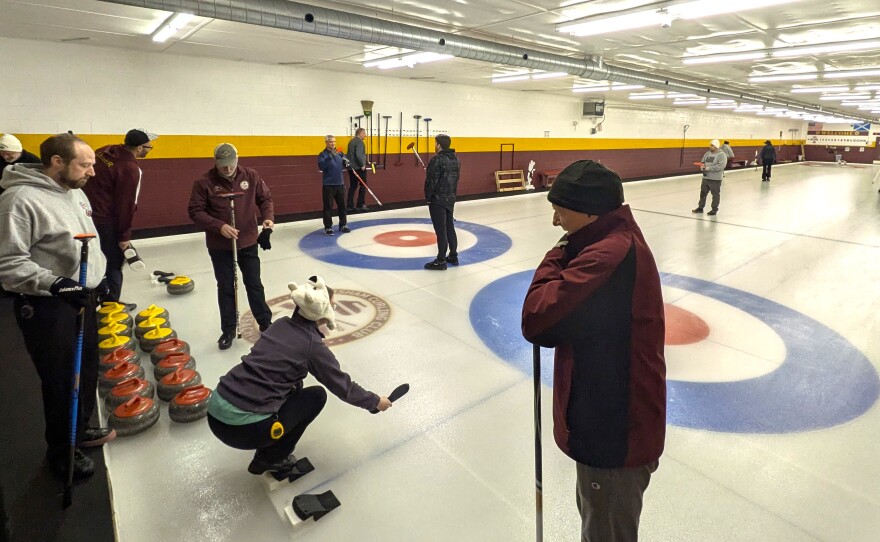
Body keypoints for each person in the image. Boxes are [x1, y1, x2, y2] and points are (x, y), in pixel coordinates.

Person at [521, 160, 666, 542]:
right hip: (607, 421)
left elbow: (537, 320)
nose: (555, 222)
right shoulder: (609, 240)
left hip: (613, 434)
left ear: (590, 211)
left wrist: (559, 252)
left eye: (560, 211)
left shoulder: (608, 255)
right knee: (596, 523)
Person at [0, 133, 116, 482]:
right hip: (49, 307)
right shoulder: (19, 200)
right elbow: (7, 264)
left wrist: (100, 274)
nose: (92, 173)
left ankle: (77, 433)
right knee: (63, 379)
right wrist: (55, 283)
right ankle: (61, 452)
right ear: (57, 162)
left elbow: (86, 242)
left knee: (88, 369)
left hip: (83, 297)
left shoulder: (75, 192)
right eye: (85, 164)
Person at [207, 275, 391, 476]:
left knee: (296, 385)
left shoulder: (280, 324)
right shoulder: (312, 345)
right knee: (316, 396)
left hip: (215, 409)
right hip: (241, 431)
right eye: (332, 305)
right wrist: (375, 402)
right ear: (323, 310)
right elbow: (342, 385)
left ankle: (267, 438)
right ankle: (272, 458)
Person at [188, 143, 274, 350]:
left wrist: (268, 218)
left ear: (237, 159)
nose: (227, 169)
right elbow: (195, 211)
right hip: (220, 244)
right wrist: (220, 226)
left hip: (248, 240)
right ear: (215, 162)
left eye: (231, 164)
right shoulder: (203, 182)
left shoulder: (250, 175)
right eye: (223, 165)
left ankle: (265, 323)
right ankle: (228, 329)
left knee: (254, 282)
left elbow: (265, 199)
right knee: (226, 286)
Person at [82, 129, 158, 304]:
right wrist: (124, 237)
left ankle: (95, 298)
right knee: (114, 262)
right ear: (139, 148)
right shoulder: (131, 169)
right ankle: (112, 306)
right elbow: (126, 205)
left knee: (94, 258)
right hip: (106, 221)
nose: (149, 149)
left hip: (85, 214)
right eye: (149, 147)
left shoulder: (104, 151)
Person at [423, 134, 461, 271]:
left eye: (435, 143)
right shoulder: (456, 159)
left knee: (441, 231)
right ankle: (453, 255)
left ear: (438, 145)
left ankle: (441, 260)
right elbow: (456, 179)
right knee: (449, 226)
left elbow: (431, 182)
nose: (434, 145)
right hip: (450, 198)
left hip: (438, 200)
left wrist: (428, 198)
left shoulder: (437, 160)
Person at [317, 135, 349, 236]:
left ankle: (343, 225)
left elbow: (347, 163)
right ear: (326, 142)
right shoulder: (322, 155)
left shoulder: (339, 152)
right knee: (328, 207)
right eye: (331, 142)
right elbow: (322, 167)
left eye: (334, 142)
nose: (333, 144)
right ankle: (328, 227)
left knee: (342, 206)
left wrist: (347, 162)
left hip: (340, 183)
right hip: (328, 185)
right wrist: (330, 157)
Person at [691, 139, 728, 216]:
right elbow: (703, 162)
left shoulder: (721, 155)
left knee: (715, 194)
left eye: (712, 145)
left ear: (716, 146)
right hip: (706, 178)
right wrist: (702, 166)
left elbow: (721, 166)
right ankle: (700, 208)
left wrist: (709, 168)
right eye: (710, 145)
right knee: (703, 193)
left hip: (715, 179)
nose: (710, 147)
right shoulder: (707, 153)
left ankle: (714, 209)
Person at [346, 128, 369, 213]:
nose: (365, 135)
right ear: (360, 133)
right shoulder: (359, 142)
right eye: (364, 133)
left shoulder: (351, 141)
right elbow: (359, 155)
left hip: (351, 168)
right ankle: (360, 205)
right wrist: (362, 164)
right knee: (363, 185)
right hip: (358, 168)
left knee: (353, 186)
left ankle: (350, 206)